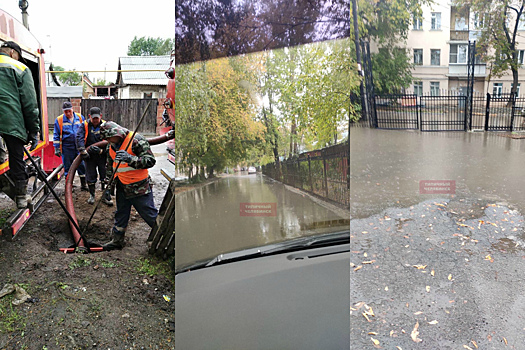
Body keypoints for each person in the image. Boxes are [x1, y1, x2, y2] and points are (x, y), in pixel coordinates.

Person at [99, 121, 158, 250]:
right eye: (106, 139)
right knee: (121, 214)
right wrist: (107, 187)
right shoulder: (111, 146)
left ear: (117, 134)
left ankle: (165, 238)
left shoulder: (136, 140)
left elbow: (150, 160)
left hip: (139, 188)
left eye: (109, 137)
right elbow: (110, 167)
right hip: (122, 187)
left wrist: (130, 159)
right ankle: (117, 240)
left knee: (149, 214)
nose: (108, 140)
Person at [0, 41, 40, 208]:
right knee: (17, 158)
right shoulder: (20, 68)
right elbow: (30, 104)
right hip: (11, 121)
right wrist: (33, 131)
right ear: (12, 53)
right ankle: (22, 198)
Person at [75, 106, 113, 206]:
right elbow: (79, 137)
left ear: (100, 116)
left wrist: (101, 150)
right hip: (89, 156)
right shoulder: (85, 125)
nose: (95, 120)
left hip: (102, 155)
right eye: (93, 118)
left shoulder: (105, 125)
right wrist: (83, 151)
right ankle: (92, 195)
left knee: (104, 175)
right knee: (90, 175)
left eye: (97, 118)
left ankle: (106, 196)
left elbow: (111, 141)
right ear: (89, 117)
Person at [53, 101, 88, 190]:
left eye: (69, 111)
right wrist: (56, 148)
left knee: (82, 165)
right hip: (67, 147)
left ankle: (83, 185)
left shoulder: (80, 117)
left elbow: (85, 130)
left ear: (72, 109)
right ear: (63, 111)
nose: (68, 113)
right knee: (68, 166)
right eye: (66, 112)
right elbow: (56, 134)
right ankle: (69, 186)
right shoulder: (59, 120)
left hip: (79, 146)